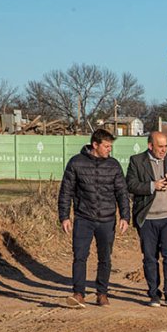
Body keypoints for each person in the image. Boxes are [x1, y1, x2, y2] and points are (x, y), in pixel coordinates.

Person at [58, 128, 130, 308]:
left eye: (110, 146)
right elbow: (66, 191)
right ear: (95, 145)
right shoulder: (76, 162)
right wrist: (64, 216)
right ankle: (78, 294)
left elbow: (122, 192)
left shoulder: (113, 165)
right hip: (83, 218)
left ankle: (102, 293)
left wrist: (125, 216)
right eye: (106, 146)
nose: (109, 149)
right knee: (80, 256)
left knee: (105, 258)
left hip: (107, 219)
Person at [126, 132, 167, 307]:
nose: (164, 150)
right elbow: (130, 184)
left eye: (166, 146)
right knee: (150, 257)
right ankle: (154, 293)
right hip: (147, 218)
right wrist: (153, 186)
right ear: (150, 146)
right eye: (160, 146)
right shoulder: (137, 161)